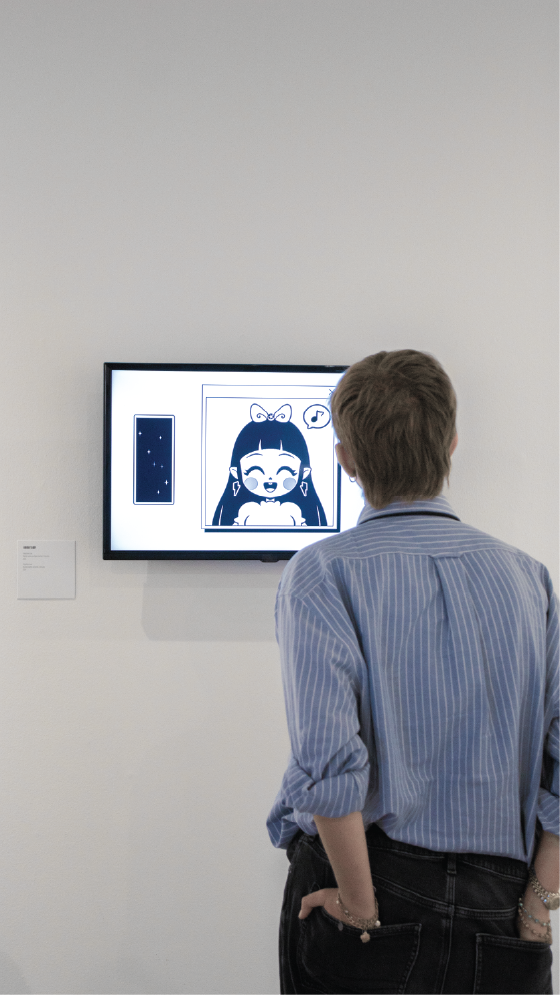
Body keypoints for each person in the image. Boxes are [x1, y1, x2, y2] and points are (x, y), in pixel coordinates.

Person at [267, 349, 558, 994]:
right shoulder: (528, 578)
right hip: (502, 897)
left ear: (345, 459)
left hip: (371, 879)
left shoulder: (322, 572)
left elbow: (328, 761)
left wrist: (360, 907)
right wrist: (539, 906)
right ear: (451, 444)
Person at [212, 404, 327, 527]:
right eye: (255, 471)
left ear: (304, 473)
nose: (270, 480)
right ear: (236, 472)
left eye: (285, 471)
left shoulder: (294, 511)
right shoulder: (245, 511)